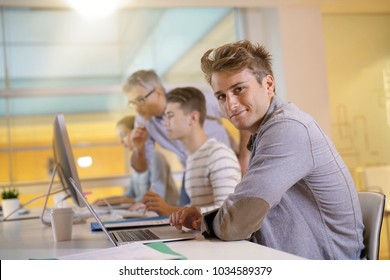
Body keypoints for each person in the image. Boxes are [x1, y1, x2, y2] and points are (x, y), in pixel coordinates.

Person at [169, 40, 365, 260]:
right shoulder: (266, 133)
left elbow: (237, 221)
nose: (230, 104)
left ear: (268, 85)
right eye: (221, 96)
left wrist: (207, 222)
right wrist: (203, 219)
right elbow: (242, 213)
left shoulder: (288, 128)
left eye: (239, 89)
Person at [123, 70, 250, 205]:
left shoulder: (188, 99)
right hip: (192, 167)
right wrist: (138, 148)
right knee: (186, 217)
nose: (136, 109)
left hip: (223, 163)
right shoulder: (143, 121)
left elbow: (242, 115)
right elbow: (141, 168)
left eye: (140, 100)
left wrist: (244, 158)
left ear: (158, 93)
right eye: (132, 103)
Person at [143, 87, 242, 216]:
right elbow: (197, 208)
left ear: (193, 118)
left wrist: (169, 210)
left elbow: (228, 212)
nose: (165, 123)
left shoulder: (219, 156)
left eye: (170, 116)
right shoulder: (192, 159)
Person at [94, 115, 178, 207]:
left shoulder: (156, 158)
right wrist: (105, 201)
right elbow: (129, 195)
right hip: (145, 211)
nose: (121, 141)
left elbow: (157, 197)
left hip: (164, 215)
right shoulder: (137, 163)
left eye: (123, 135)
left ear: (137, 133)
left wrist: (124, 201)